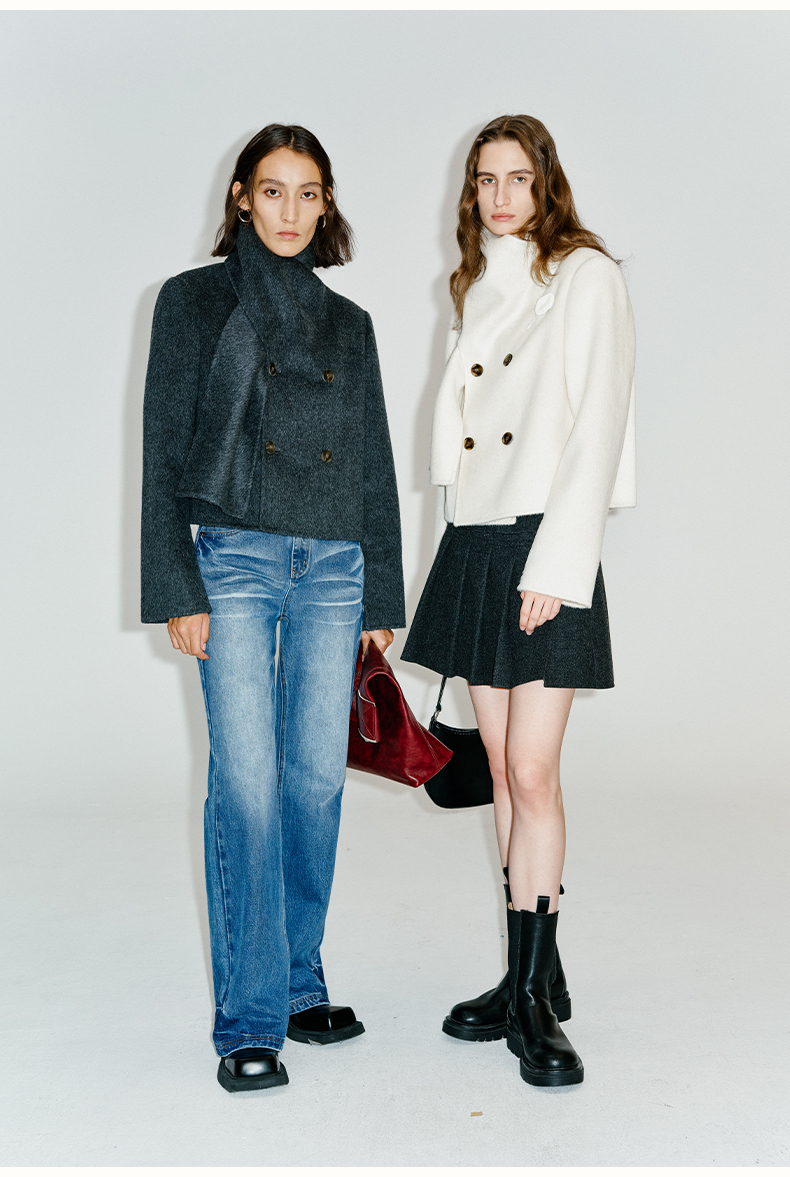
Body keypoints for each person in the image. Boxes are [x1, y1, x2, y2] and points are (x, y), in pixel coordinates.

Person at [141, 124, 405, 1093]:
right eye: (273, 190)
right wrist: (177, 584)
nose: (290, 210)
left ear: (326, 204)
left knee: (316, 783)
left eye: (308, 193)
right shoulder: (192, 302)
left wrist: (382, 589)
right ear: (242, 198)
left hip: (335, 564)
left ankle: (299, 980)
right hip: (236, 561)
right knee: (247, 783)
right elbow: (161, 448)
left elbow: (373, 460)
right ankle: (250, 1016)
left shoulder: (351, 323)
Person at [401, 114, 636, 1087]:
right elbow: (457, 456)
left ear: (547, 184)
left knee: (533, 772)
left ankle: (535, 1001)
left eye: (517, 179)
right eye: (484, 180)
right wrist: (448, 564)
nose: (500, 197)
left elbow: (599, 424)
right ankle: (524, 974)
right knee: (499, 768)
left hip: (545, 544)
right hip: (476, 544)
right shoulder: (473, 285)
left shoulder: (585, 275)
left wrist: (558, 566)